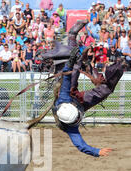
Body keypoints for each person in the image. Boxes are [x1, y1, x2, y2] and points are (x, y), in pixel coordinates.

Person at [50, 21, 124, 157]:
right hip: (80, 103)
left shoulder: (64, 98)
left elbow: (66, 79)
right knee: (105, 90)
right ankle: (117, 69)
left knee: (75, 66)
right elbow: (81, 145)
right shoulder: (71, 128)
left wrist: (70, 63)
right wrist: (97, 152)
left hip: (71, 97)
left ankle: (72, 35)